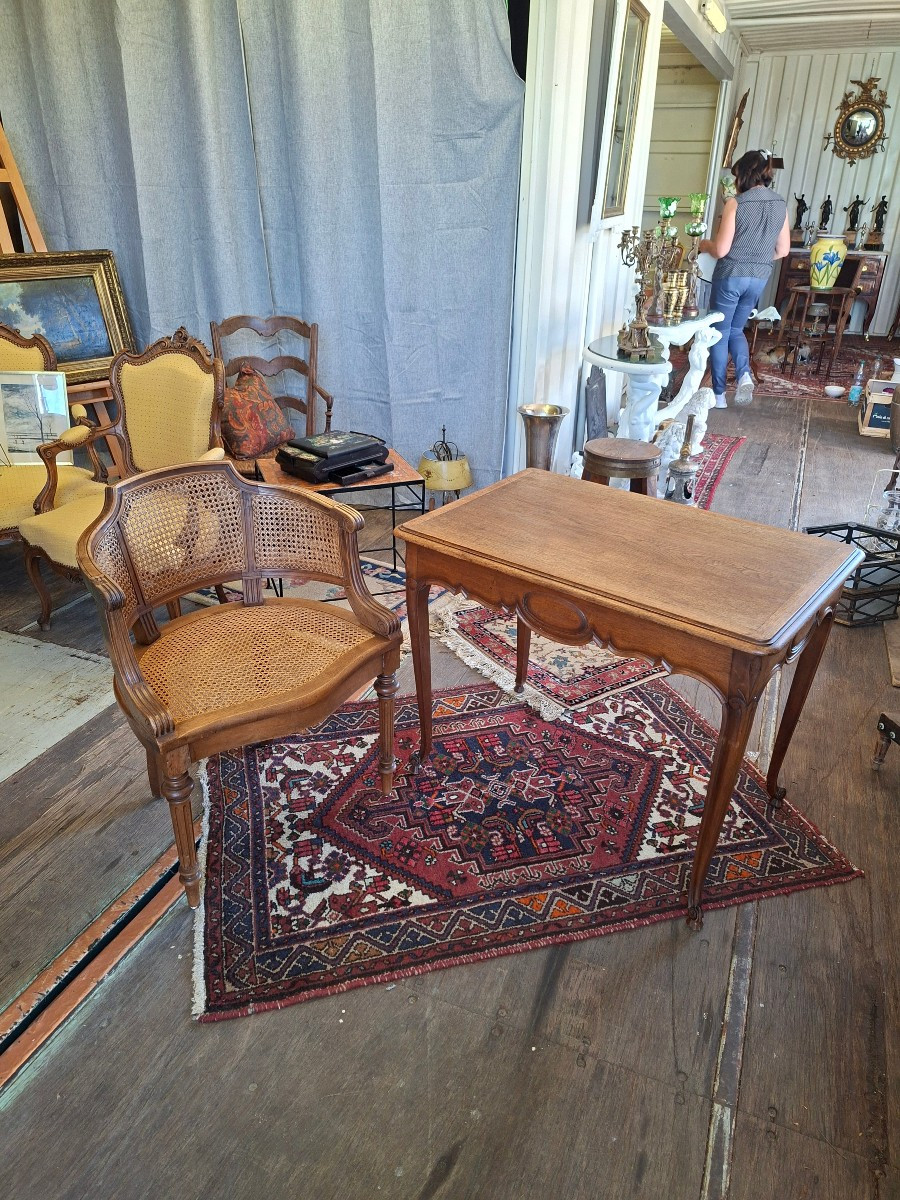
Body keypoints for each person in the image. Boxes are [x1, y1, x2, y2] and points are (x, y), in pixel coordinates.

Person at [699, 149, 789, 407]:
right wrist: (757, 259)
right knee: (737, 330)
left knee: (720, 331)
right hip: (759, 278)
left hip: (730, 275)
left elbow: (721, 250)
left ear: (745, 174)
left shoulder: (736, 203)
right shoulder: (780, 203)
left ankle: (718, 395)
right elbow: (782, 250)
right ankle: (743, 375)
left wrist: (705, 244)